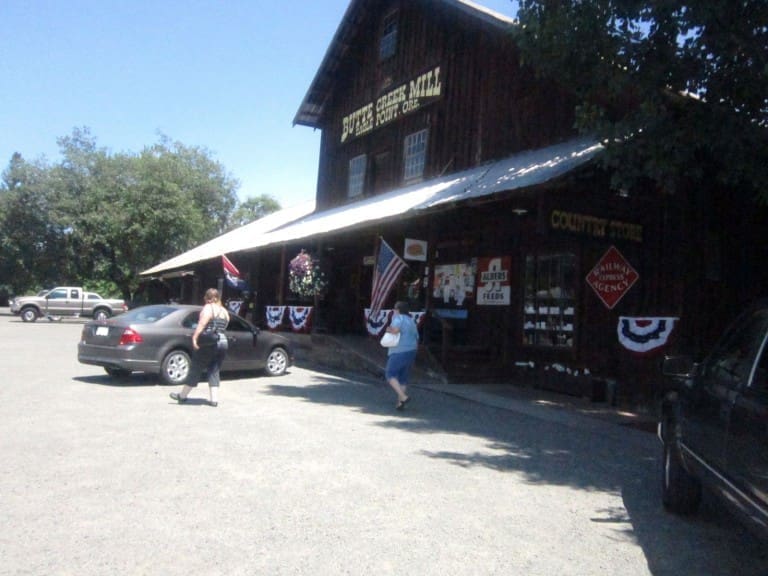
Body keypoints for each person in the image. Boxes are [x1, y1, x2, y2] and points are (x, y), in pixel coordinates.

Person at [170, 288, 230, 407]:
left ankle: (182, 396)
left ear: (207, 298)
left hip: (209, 342)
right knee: (214, 369)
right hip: (223, 342)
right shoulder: (224, 311)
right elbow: (226, 324)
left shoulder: (208, 308)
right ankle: (214, 399)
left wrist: (195, 338)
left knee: (196, 367)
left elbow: (202, 324)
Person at [384, 301, 419, 410]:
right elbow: (417, 337)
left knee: (390, 374)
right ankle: (400, 403)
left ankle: (403, 397)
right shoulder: (411, 321)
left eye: (395, 309)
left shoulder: (399, 319)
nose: (394, 311)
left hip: (399, 350)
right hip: (411, 350)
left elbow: (395, 331)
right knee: (403, 377)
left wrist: (388, 329)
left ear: (398, 310)